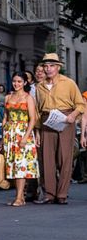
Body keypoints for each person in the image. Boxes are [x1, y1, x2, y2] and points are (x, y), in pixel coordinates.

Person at [33, 53, 85, 205]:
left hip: (65, 119)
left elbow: (80, 104)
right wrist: (37, 132)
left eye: (51, 66)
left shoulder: (68, 83)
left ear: (58, 67)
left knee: (65, 157)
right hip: (46, 120)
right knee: (46, 159)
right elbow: (37, 110)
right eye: (46, 66)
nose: (48, 69)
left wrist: (73, 116)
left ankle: (62, 193)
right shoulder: (40, 86)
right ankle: (49, 194)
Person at [3, 72, 39, 207]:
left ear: (25, 83)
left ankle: (19, 197)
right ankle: (19, 196)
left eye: (19, 81)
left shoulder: (28, 98)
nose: (16, 84)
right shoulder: (7, 97)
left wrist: (26, 136)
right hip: (10, 133)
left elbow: (33, 119)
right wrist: (3, 137)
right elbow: (5, 118)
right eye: (14, 81)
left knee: (21, 165)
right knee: (12, 165)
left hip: (23, 132)